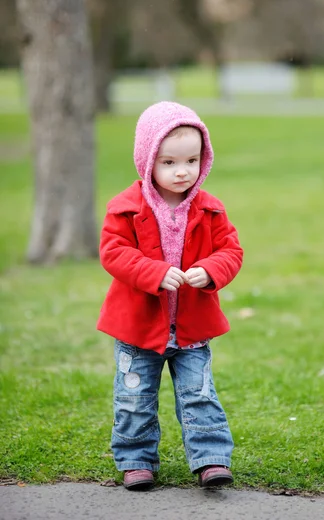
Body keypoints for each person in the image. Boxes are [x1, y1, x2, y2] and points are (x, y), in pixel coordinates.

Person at [97, 101, 243, 491]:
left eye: (192, 160)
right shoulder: (125, 209)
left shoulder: (210, 209)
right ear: (147, 161)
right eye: (169, 162)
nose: (183, 171)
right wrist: (156, 273)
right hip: (138, 327)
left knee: (199, 395)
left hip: (192, 327)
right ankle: (136, 460)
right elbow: (114, 253)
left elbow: (231, 252)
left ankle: (211, 459)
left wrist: (210, 270)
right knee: (134, 398)